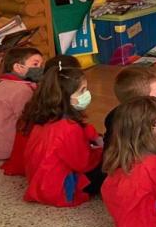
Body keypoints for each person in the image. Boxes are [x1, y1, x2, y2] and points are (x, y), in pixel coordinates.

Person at [21, 59, 104, 206]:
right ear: (65, 96)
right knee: (110, 165)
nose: (86, 94)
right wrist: (100, 152)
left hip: (40, 180)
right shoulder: (69, 127)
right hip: (59, 189)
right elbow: (83, 164)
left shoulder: (44, 118)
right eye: (82, 91)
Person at [85, 67, 156, 195]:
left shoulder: (115, 115)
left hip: (118, 171)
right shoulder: (153, 123)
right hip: (131, 176)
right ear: (141, 102)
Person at [101, 96, 156, 227]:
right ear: (148, 131)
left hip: (123, 224)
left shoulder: (119, 157)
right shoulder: (153, 164)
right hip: (151, 226)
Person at [1, 55, 81, 176]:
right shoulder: (61, 113)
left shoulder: (38, 97)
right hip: (45, 171)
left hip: (26, 162)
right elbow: (79, 160)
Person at [0, 47, 43, 160]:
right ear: (18, 67)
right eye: (35, 64)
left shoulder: (4, 83)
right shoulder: (22, 89)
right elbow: (30, 117)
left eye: (41, 65)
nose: (40, 68)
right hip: (10, 144)